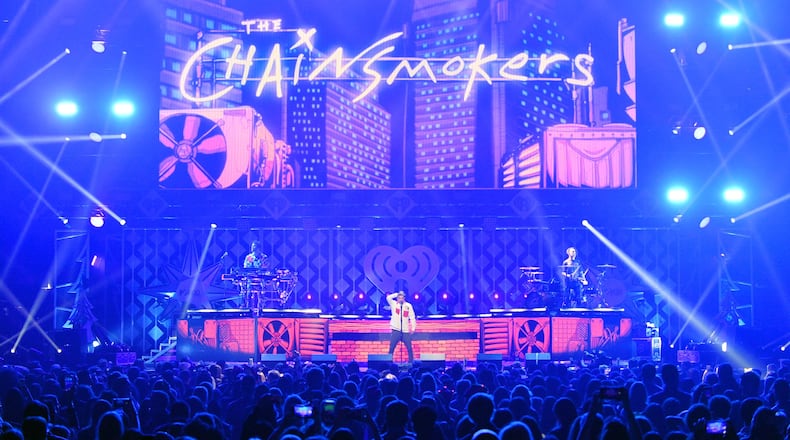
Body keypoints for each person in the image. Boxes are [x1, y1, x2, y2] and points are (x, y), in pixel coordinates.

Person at [386, 291, 417, 363]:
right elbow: (388, 298)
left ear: (404, 298)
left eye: (402, 297)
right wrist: (397, 294)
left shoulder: (408, 306)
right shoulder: (393, 304)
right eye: (399, 298)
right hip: (396, 330)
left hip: (405, 331)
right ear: (397, 298)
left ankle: (410, 362)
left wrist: (413, 328)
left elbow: (412, 317)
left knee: (409, 348)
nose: (400, 299)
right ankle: (389, 363)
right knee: (391, 348)